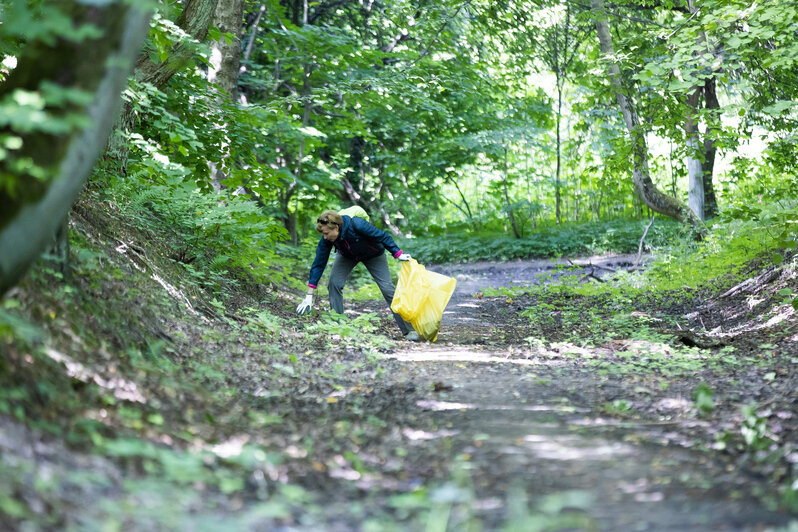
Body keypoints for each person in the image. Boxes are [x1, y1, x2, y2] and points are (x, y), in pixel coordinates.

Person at [296, 210, 422, 342]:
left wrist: (397, 253)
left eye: (327, 233)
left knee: (387, 288)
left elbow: (383, 236)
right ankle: (338, 326)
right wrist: (309, 295)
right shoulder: (327, 238)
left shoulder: (357, 224)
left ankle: (410, 329)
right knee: (334, 283)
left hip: (373, 254)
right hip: (347, 256)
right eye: (323, 234)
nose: (325, 237)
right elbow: (319, 263)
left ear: (336, 227)